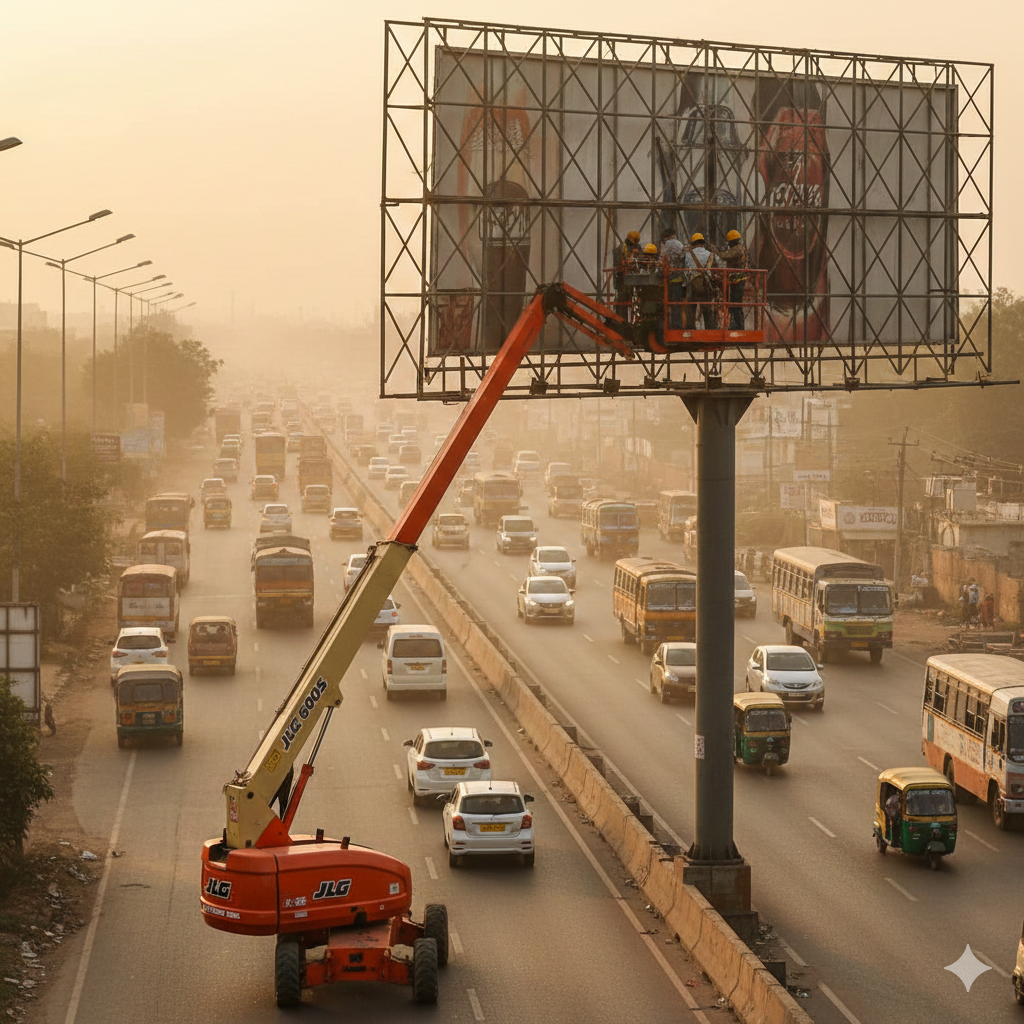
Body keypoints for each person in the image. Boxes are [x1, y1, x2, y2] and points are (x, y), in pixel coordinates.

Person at [684, 232, 722, 330]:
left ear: (693, 244)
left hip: (693, 283)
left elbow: (686, 270)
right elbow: (717, 268)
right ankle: (709, 330)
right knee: (707, 309)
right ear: (703, 244)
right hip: (706, 284)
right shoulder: (710, 255)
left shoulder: (688, 255)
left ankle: (690, 329)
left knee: (691, 308)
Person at [714, 229, 749, 330]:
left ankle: (738, 326)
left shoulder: (737, 249)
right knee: (734, 304)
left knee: (736, 304)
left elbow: (724, 256)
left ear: (731, 241)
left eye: (729, 242)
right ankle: (736, 325)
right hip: (736, 280)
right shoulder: (740, 248)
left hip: (738, 281)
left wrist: (715, 250)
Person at [660, 228, 686, 329]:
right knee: (678, 305)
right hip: (680, 280)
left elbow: (662, 260)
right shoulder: (680, 245)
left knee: (669, 304)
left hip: (669, 280)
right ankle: (678, 326)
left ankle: (672, 327)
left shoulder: (665, 246)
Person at [614, 230, 643, 314]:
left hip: (634, 274)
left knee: (639, 295)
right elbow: (619, 262)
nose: (635, 244)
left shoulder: (637, 246)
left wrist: (639, 255)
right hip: (622, 276)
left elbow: (641, 257)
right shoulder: (622, 248)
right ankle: (621, 317)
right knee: (623, 297)